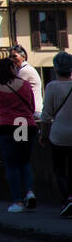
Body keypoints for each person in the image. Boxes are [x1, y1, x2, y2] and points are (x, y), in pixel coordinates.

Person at [0, 56, 37, 213]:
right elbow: (31, 105)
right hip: (23, 124)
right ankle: (29, 191)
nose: (16, 69)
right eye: (14, 67)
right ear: (10, 69)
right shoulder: (24, 85)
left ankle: (17, 201)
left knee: (11, 165)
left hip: (7, 127)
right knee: (24, 161)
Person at [39, 51, 72, 218]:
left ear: (56, 68)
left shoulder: (52, 86)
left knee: (59, 170)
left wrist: (43, 135)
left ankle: (67, 199)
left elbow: (46, 116)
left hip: (58, 135)